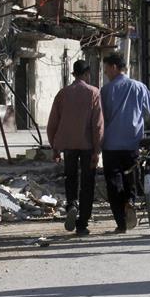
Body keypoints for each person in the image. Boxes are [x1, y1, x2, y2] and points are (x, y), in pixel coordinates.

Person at [100, 52, 150, 233]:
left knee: (113, 183)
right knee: (131, 179)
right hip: (132, 145)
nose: (105, 73)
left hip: (110, 145)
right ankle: (130, 201)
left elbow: (99, 120)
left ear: (113, 67)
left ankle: (121, 223)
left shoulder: (105, 91)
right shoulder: (138, 87)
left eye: (106, 69)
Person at [47, 59, 104, 236]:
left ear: (73, 74)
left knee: (70, 178)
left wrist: (55, 147)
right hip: (87, 146)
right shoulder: (93, 93)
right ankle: (82, 223)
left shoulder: (62, 94)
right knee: (87, 183)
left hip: (68, 146)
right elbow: (98, 124)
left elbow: (52, 124)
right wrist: (97, 150)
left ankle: (72, 204)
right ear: (87, 74)